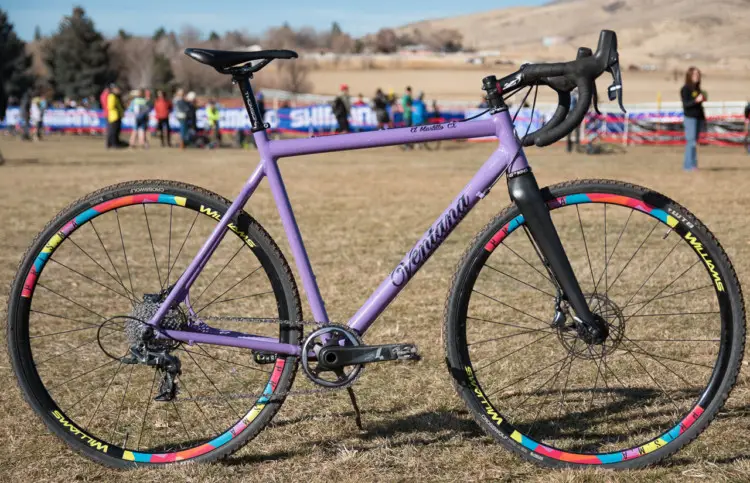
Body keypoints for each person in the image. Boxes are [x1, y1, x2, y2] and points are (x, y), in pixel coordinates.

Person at [681, 66, 706, 171]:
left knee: (694, 142)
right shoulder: (685, 89)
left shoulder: (697, 88)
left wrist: (703, 118)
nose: (697, 76)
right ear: (689, 76)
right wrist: (696, 100)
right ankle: (689, 166)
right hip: (690, 118)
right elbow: (686, 104)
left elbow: (699, 106)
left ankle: (692, 165)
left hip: (698, 118)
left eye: (698, 74)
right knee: (691, 142)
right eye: (695, 74)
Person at [106, 85, 125, 149]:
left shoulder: (117, 97)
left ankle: (114, 143)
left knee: (116, 131)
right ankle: (113, 144)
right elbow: (111, 106)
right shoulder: (112, 96)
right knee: (113, 131)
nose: (118, 91)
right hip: (114, 116)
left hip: (117, 116)